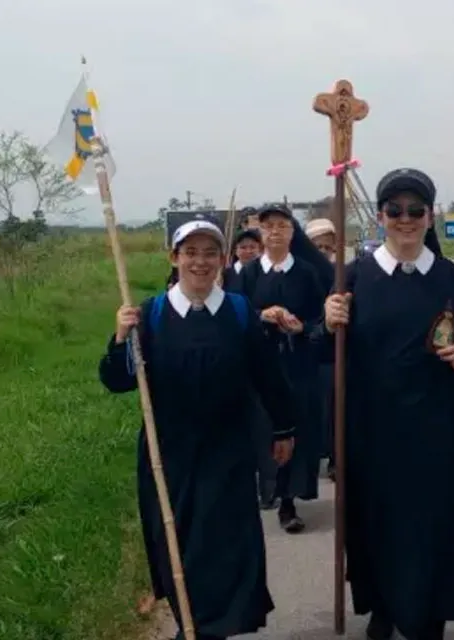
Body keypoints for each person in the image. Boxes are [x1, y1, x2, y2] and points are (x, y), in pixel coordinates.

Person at [320, 168, 454, 640]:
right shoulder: (354, 277)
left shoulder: (447, 277)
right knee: (377, 524)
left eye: (415, 210)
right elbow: (324, 355)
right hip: (373, 430)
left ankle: (427, 616)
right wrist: (327, 321)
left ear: (430, 216)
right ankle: (382, 608)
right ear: (380, 217)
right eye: (395, 210)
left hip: (440, 429)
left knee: (433, 526)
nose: (406, 219)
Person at [99, 218, 297, 640]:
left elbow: (268, 377)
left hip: (228, 452)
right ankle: (193, 623)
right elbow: (117, 381)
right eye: (190, 252)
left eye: (210, 253)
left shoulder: (240, 313)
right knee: (176, 543)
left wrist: (283, 429)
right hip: (167, 456)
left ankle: (205, 630)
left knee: (222, 548)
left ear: (223, 260)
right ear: (174, 257)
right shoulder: (150, 316)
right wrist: (119, 339)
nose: (200, 262)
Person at [231, 203, 330, 532]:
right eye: (268, 226)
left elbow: (322, 318)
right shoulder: (248, 274)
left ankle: (289, 500)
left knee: (296, 424)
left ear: (292, 232)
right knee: (264, 426)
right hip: (260, 363)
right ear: (260, 231)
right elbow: (235, 313)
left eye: (282, 226)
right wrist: (263, 315)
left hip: (298, 361)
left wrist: (303, 328)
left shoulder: (306, 272)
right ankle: (268, 490)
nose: (274, 232)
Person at [304, 217, 339, 479]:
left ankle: (336, 458)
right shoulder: (298, 274)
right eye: (318, 246)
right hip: (305, 350)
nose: (324, 252)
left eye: (328, 246)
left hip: (333, 352)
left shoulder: (344, 274)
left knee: (336, 405)